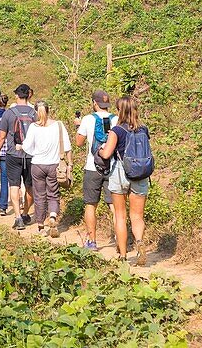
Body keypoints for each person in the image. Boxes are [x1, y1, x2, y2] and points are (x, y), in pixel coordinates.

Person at [99, 96, 150, 264]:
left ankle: (122, 255)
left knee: (120, 216)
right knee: (137, 216)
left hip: (120, 172)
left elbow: (106, 154)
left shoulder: (117, 130)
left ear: (120, 111)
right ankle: (140, 242)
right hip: (140, 173)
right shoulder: (143, 129)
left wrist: (100, 150)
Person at [18, 100, 72, 237]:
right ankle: (53, 216)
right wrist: (70, 163)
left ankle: (41, 226)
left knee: (39, 195)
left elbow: (27, 146)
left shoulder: (34, 127)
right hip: (54, 165)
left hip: (37, 165)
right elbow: (67, 147)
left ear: (36, 112)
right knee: (53, 193)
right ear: (49, 110)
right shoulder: (58, 125)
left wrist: (20, 146)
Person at [75, 90, 118, 250]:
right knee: (115, 206)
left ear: (94, 103)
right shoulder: (117, 119)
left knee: (91, 205)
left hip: (93, 167)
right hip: (113, 167)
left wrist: (78, 126)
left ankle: (92, 241)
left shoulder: (87, 119)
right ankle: (120, 239)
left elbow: (79, 142)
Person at [0, 83, 37, 230]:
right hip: (31, 155)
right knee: (29, 186)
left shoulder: (9, 113)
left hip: (13, 154)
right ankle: (26, 213)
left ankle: (18, 217)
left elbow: (1, 136)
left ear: (17, 95)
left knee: (14, 185)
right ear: (28, 95)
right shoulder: (35, 113)